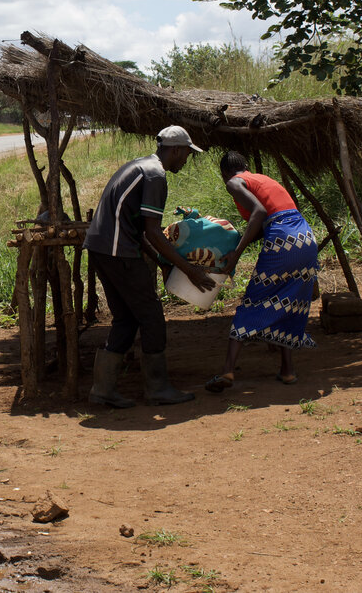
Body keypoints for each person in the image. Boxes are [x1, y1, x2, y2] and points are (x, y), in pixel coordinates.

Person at [82, 125, 216, 408]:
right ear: (176, 150)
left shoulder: (139, 166)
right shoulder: (155, 175)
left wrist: (163, 263)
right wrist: (189, 270)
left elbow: (140, 230)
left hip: (101, 248)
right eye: (186, 155)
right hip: (119, 251)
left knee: (126, 319)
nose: (186, 161)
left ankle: (102, 390)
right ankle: (157, 388)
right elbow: (153, 232)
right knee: (152, 316)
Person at [204, 151, 319, 392]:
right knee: (288, 302)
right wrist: (237, 247)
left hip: (283, 240)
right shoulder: (262, 179)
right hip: (305, 237)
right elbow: (269, 219)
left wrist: (235, 254)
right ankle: (287, 371)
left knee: (252, 303)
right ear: (245, 165)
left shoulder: (234, 182)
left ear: (224, 173)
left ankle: (227, 370)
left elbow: (259, 213)